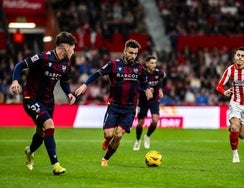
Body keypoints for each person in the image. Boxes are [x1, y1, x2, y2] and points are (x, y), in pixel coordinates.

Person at [75, 39, 153, 166]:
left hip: (130, 108)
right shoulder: (114, 65)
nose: (133, 56)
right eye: (131, 53)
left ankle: (105, 159)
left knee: (118, 135)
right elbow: (97, 74)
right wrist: (85, 85)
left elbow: (144, 81)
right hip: (114, 105)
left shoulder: (139, 68)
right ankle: (107, 140)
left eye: (135, 53)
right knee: (108, 134)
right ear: (124, 51)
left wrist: (148, 88)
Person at [10, 31, 77, 175]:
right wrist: (15, 81)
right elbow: (19, 66)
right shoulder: (42, 58)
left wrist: (69, 93)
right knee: (50, 125)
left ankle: (29, 151)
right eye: (73, 48)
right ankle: (56, 165)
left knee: (41, 133)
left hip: (48, 102)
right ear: (66, 47)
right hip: (31, 99)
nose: (73, 51)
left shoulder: (66, 64)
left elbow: (64, 82)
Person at [133, 55, 166, 150]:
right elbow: (136, 87)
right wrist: (145, 90)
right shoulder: (141, 74)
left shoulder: (158, 73)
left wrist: (160, 88)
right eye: (152, 63)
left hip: (154, 100)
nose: (154, 65)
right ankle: (138, 140)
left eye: (155, 63)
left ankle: (147, 136)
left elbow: (164, 78)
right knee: (140, 123)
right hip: (143, 101)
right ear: (147, 63)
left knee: (155, 121)